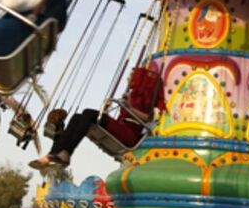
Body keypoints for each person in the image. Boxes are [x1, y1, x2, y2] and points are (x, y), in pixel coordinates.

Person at [29, 67, 165, 170]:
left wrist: (129, 107)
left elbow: (148, 119)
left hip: (130, 135)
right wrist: (108, 110)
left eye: (131, 76)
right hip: (122, 128)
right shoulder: (131, 95)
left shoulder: (147, 100)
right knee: (77, 117)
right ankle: (54, 153)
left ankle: (66, 153)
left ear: (140, 79)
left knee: (88, 113)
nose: (127, 79)